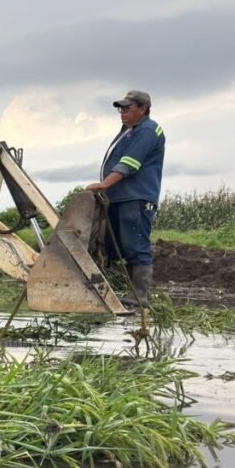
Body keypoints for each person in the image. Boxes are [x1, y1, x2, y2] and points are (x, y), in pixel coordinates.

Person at [85, 90, 166, 306]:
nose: (122, 113)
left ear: (143, 109)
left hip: (136, 197)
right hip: (118, 197)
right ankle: (112, 287)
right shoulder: (129, 131)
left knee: (135, 243)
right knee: (112, 245)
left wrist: (103, 184)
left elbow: (129, 164)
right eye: (121, 109)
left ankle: (140, 296)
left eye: (127, 108)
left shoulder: (148, 130)